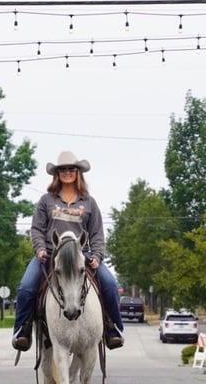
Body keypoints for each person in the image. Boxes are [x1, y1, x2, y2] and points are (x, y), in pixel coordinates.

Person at [11, 151, 125, 352]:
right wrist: (39, 249)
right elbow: (37, 229)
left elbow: (97, 233)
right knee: (26, 288)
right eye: (62, 169)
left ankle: (112, 328)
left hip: (82, 255)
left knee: (109, 284)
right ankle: (23, 330)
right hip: (49, 255)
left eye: (71, 169)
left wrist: (97, 256)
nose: (67, 172)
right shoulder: (46, 200)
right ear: (57, 174)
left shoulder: (88, 202)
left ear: (78, 172)